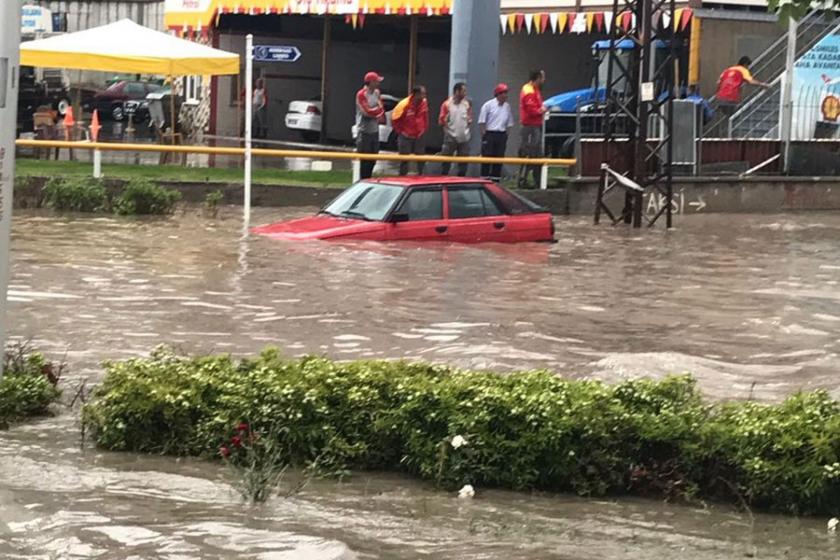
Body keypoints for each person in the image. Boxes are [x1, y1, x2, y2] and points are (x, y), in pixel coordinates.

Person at [714, 56, 769, 136]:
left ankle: (728, 134)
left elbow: (718, 82)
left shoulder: (728, 70)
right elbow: (750, 81)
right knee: (734, 117)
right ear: (745, 64)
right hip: (731, 97)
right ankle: (732, 135)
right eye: (748, 66)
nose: (748, 68)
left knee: (729, 117)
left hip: (721, 97)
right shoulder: (743, 70)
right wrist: (762, 84)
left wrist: (717, 95)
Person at [478, 83, 515, 182]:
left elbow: (509, 123)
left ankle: (496, 180)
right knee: (487, 158)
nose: (506, 95)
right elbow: (482, 122)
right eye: (504, 93)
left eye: (506, 93)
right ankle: (484, 179)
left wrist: (506, 135)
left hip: (501, 134)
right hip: (490, 134)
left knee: (499, 158)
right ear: (498, 94)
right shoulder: (488, 105)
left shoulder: (507, 107)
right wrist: (484, 136)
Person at [518, 69, 547, 188]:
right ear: (538, 78)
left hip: (535, 125)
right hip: (530, 126)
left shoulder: (534, 90)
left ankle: (534, 181)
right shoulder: (529, 91)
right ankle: (523, 180)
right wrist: (542, 110)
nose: (544, 80)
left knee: (536, 154)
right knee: (530, 153)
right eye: (543, 78)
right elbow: (531, 110)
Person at [392, 85, 429, 176]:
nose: (424, 96)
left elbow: (425, 118)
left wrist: (423, 129)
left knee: (421, 160)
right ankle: (402, 178)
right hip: (405, 137)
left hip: (419, 136)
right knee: (404, 161)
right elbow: (394, 119)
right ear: (416, 94)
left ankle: (423, 178)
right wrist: (401, 132)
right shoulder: (404, 104)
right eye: (422, 94)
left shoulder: (424, 103)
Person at [356, 71, 385, 180]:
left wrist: (377, 111)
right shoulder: (361, 94)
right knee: (365, 160)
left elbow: (382, 108)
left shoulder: (377, 93)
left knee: (374, 158)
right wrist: (377, 111)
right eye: (376, 81)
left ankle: (369, 178)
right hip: (364, 131)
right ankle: (363, 180)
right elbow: (366, 112)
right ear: (371, 82)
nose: (378, 83)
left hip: (375, 131)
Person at [438, 82, 472, 176]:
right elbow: (441, 121)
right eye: (463, 91)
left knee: (464, 162)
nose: (465, 93)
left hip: (464, 139)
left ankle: (461, 179)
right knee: (446, 161)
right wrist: (447, 133)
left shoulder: (467, 104)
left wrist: (466, 131)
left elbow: (469, 120)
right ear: (457, 91)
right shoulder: (447, 104)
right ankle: (444, 179)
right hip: (450, 138)